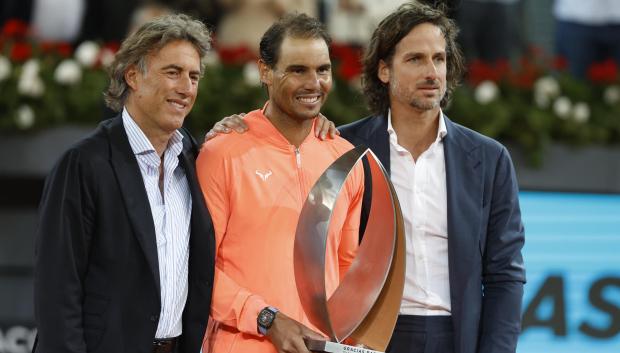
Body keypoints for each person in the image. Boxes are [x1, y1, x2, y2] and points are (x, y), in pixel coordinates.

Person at [208, 3, 526, 353]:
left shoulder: (488, 158)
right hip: (374, 336)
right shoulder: (348, 149)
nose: (432, 72)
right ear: (384, 70)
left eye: (439, 59)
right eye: (416, 59)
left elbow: (505, 274)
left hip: (455, 335)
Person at [33, 14, 216, 353]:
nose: (186, 88)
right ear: (133, 76)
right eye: (172, 72)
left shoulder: (194, 157)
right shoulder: (84, 163)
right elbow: (56, 291)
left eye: (194, 76)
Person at [196, 13, 365, 353]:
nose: (314, 83)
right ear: (265, 72)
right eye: (298, 70)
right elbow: (198, 269)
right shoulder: (222, 153)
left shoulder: (345, 159)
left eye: (322, 69)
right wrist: (266, 318)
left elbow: (348, 268)